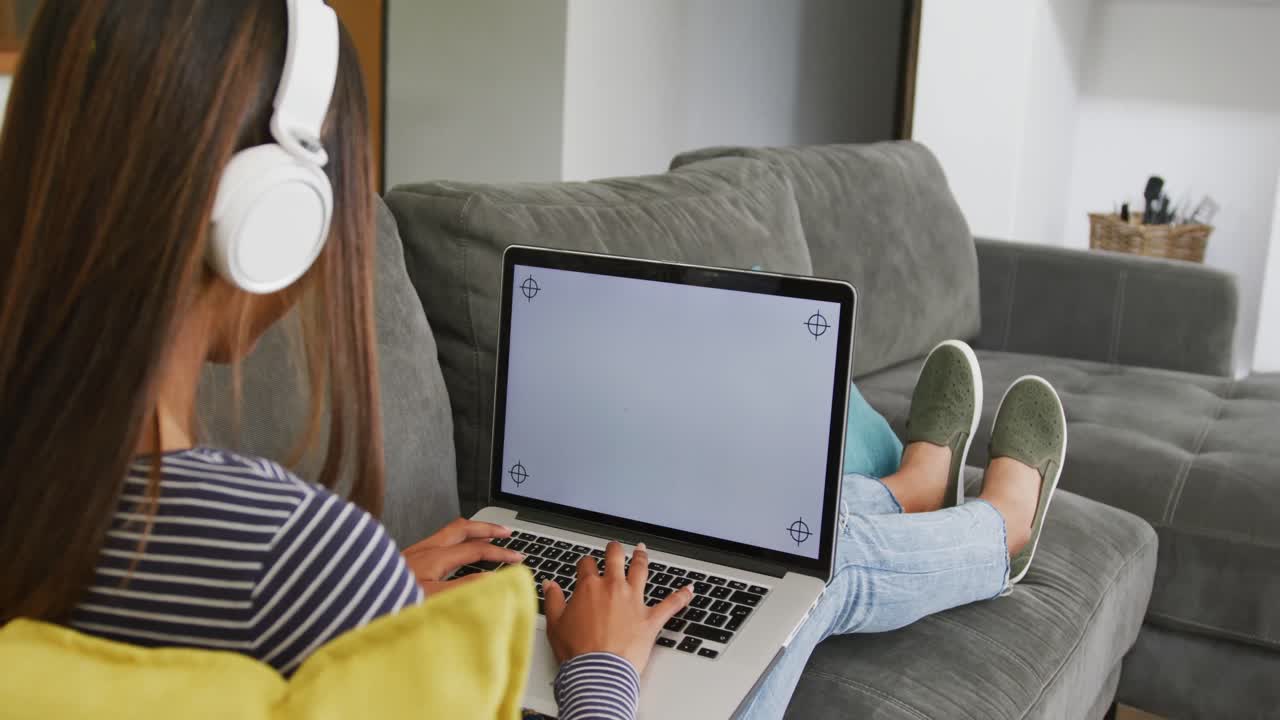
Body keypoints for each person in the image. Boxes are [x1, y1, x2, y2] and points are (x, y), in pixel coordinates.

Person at [0, 2, 1065, 719]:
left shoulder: (102, 517)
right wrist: (601, 664)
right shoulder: (296, 554)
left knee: (767, 556)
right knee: (803, 585)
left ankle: (905, 487)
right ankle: (992, 529)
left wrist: (369, 603)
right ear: (267, 223)